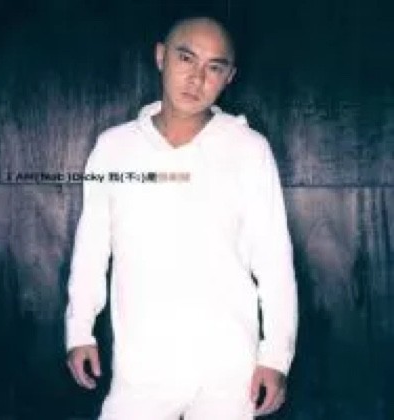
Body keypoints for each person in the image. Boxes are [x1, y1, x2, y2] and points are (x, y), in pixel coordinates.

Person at [65, 16, 298, 420]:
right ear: (161, 57)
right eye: (186, 58)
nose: (197, 78)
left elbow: (274, 260)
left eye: (214, 67)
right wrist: (79, 329)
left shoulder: (248, 149)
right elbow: (92, 248)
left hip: (229, 369)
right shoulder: (114, 148)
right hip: (140, 369)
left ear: (229, 77)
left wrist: (276, 356)